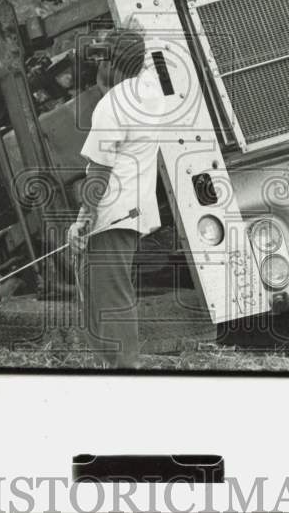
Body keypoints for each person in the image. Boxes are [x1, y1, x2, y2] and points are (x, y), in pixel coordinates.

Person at [67, 28, 169, 368]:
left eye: (103, 57)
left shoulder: (112, 105)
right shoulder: (151, 93)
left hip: (111, 211)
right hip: (135, 209)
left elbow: (99, 170)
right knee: (102, 292)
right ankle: (112, 364)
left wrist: (82, 220)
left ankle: (126, 367)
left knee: (110, 296)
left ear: (112, 62)